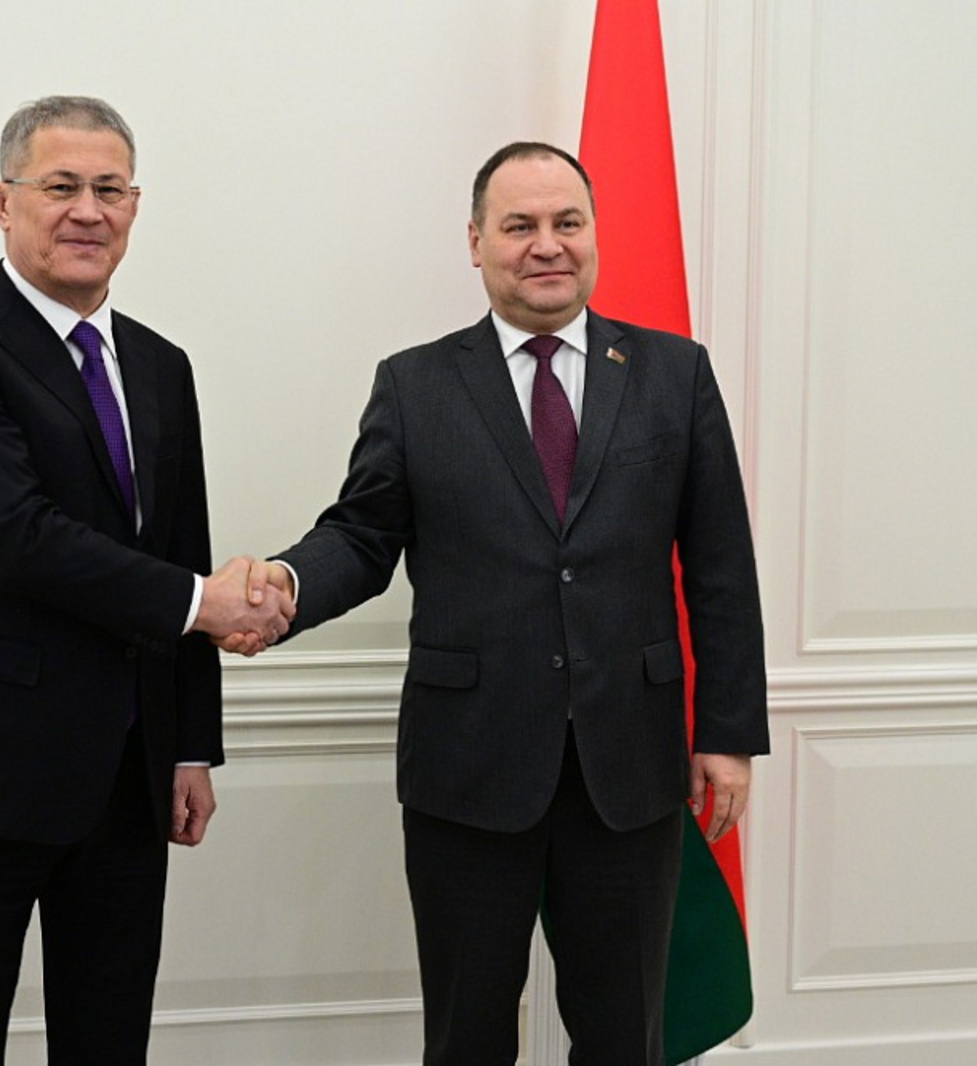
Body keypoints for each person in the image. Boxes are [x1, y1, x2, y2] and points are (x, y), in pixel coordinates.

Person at [235, 142, 769, 1064]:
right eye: (519, 226)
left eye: (567, 222)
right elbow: (361, 537)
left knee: (625, 1037)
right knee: (467, 1037)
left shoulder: (674, 373)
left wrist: (726, 732)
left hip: (628, 768)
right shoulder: (416, 385)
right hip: (468, 768)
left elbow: (720, 566)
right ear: (477, 242)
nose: (546, 244)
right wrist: (285, 585)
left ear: (595, 234)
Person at [0, 95, 293, 1065]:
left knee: (109, 1041)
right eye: (60, 186)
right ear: (3, 202)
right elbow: (16, 538)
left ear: (135, 206)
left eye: (110, 189)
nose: (87, 211)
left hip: (127, 771)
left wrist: (190, 745)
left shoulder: (159, 364)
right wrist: (205, 602)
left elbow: (181, 542)